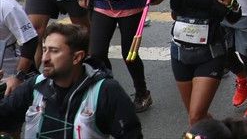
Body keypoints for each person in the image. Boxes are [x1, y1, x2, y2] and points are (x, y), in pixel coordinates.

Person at [147, 0, 242, 126]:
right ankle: (223, 132)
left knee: (195, 116)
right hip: (180, 54)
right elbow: (154, 0)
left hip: (210, 54)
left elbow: (235, 18)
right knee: (196, 116)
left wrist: (231, 3)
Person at [0, 21, 143, 138]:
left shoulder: (106, 91)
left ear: (77, 57)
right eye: (44, 50)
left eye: (54, 51)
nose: (44, 58)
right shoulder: (35, 85)